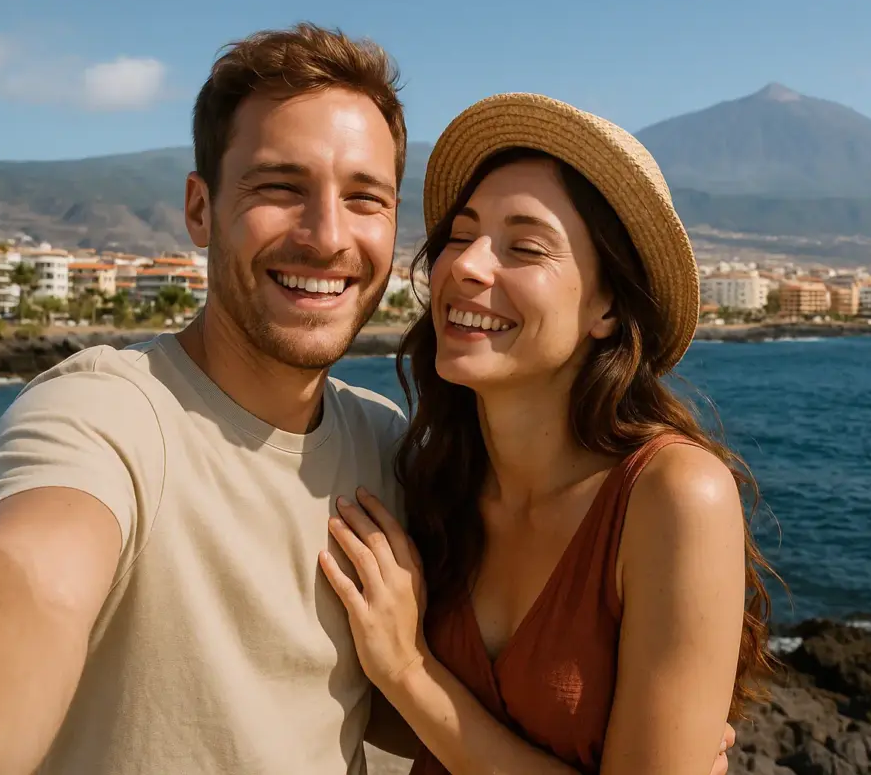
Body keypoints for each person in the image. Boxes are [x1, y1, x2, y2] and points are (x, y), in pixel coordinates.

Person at [0, 23, 417, 775]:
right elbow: (29, 583)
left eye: (365, 198)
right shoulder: (105, 415)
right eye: (280, 187)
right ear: (199, 209)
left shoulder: (384, 443)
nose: (327, 237)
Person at [319, 93, 776, 774]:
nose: (467, 265)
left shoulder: (674, 496)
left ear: (607, 306)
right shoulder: (428, 480)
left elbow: (423, 699)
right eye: (462, 233)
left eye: (524, 246)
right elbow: (401, 721)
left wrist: (411, 669)